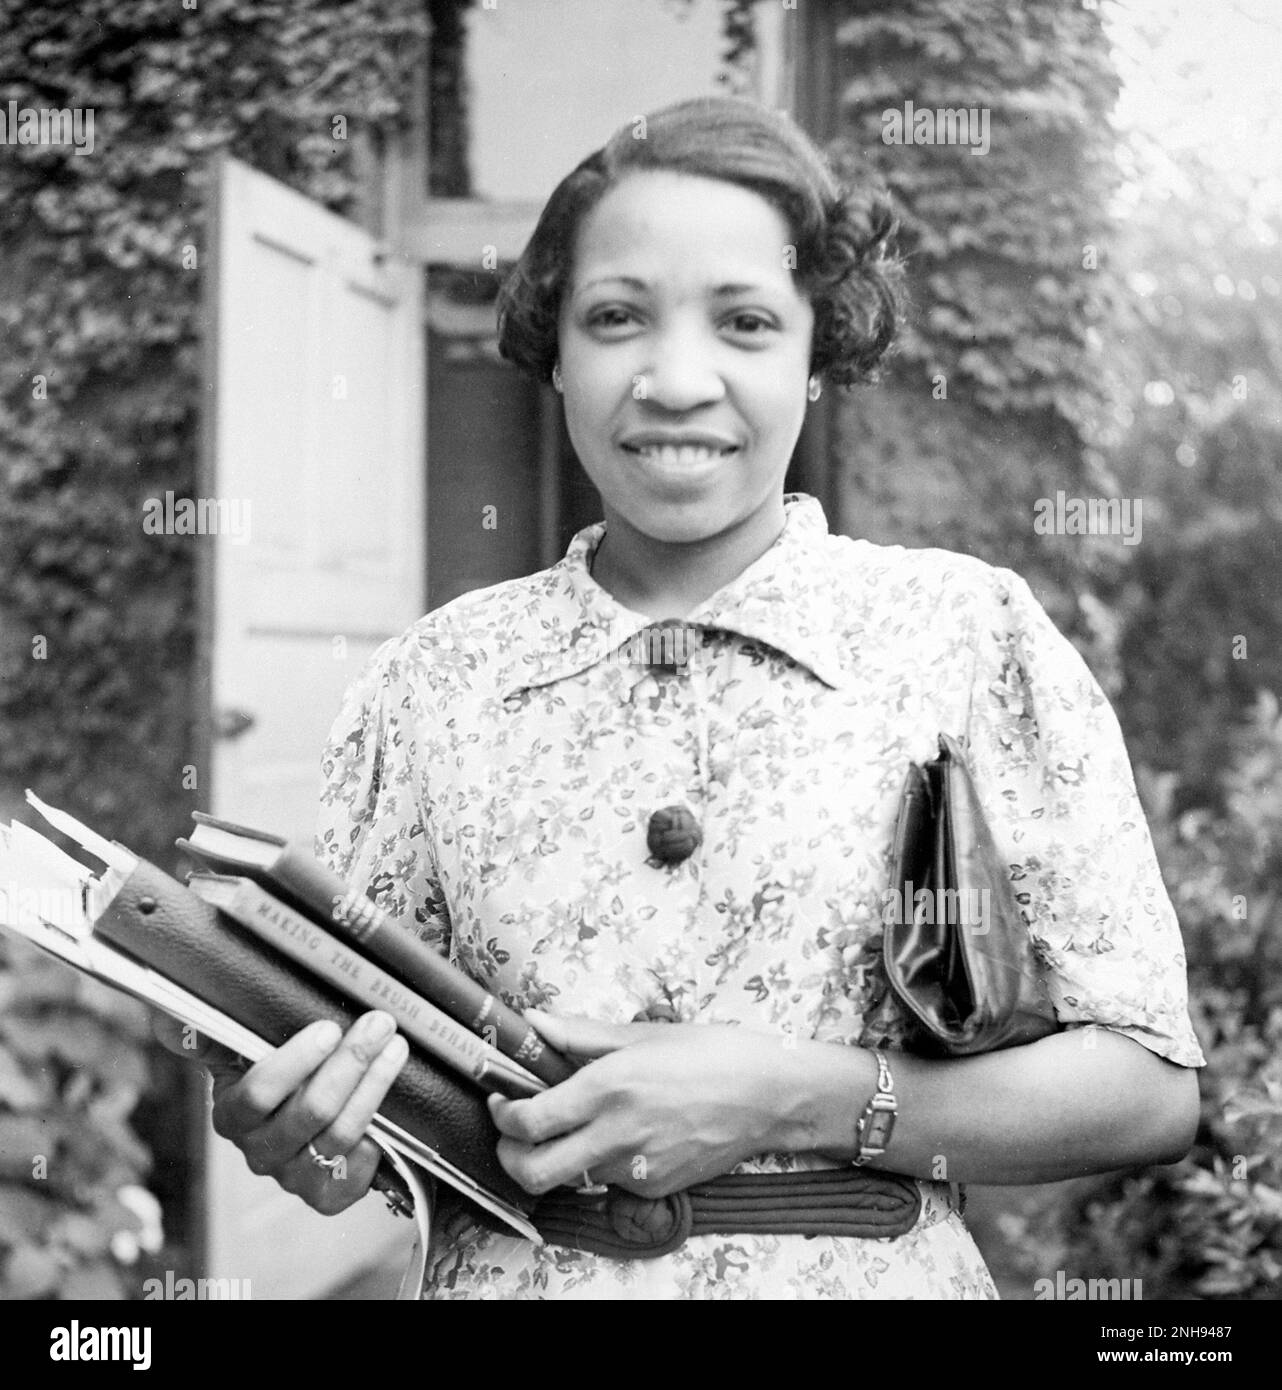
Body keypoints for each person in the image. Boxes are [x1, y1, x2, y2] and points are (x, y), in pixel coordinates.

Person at [160, 96, 1203, 1299]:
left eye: (747, 322)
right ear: (556, 347)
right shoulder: (433, 681)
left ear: (819, 356)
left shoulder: (963, 637)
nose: (674, 379)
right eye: (615, 318)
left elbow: (1147, 1088)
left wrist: (796, 1095)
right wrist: (316, 1144)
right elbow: (382, 1122)